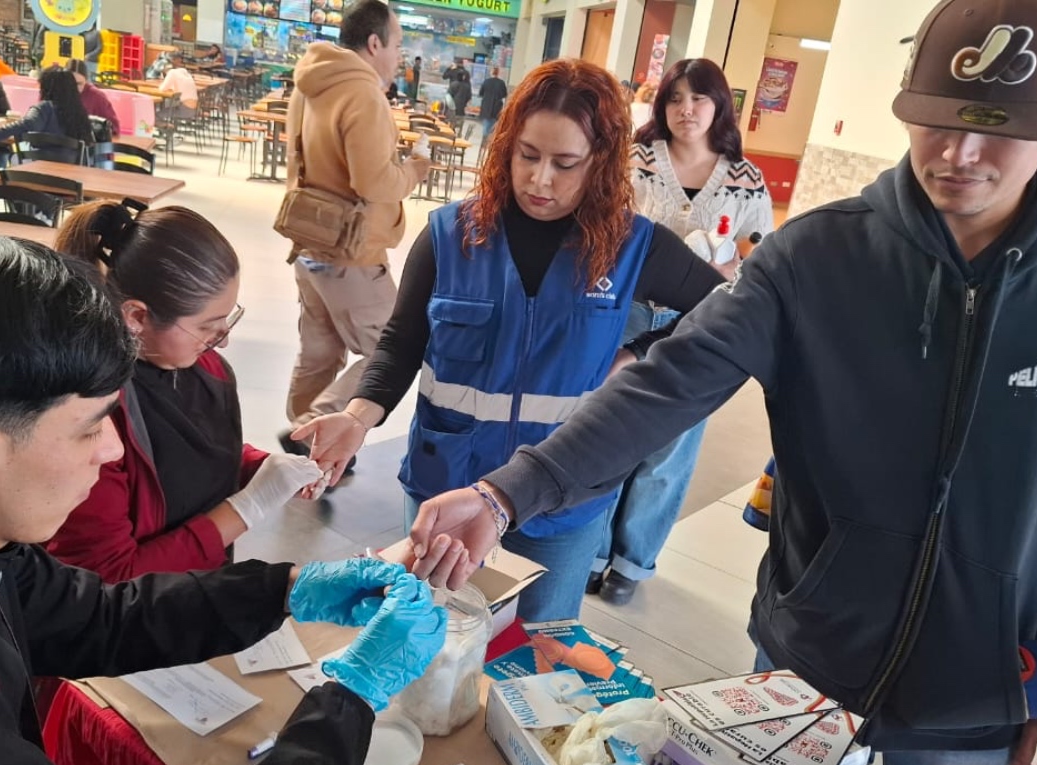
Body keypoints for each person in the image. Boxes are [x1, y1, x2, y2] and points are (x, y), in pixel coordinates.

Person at [409, 0, 1037, 765]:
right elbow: (669, 381)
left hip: (983, 684)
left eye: (996, 126)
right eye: (936, 121)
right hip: (809, 657)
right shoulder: (816, 256)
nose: (958, 153)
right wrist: (506, 494)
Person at [0, 228, 447, 765]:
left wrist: (286, 590)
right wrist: (352, 697)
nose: (112, 447)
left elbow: (100, 616)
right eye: (89, 428)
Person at [291, 58, 724, 623]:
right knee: (427, 638)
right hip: (445, 487)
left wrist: (640, 354)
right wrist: (357, 415)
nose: (540, 180)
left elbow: (721, 309)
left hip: (560, 500)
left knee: (540, 654)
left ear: (601, 162)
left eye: (565, 163)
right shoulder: (451, 235)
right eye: (528, 155)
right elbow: (401, 341)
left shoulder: (632, 246)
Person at [48, 200, 326, 582]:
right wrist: (246, 508)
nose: (222, 341)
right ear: (137, 317)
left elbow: (193, 455)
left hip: (197, 595)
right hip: (134, 620)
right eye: (208, 326)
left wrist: (261, 468)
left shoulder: (205, 369)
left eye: (229, 318)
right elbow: (108, 580)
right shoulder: (91, 416)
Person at [590, 57, 775, 605]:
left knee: (670, 448)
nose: (685, 109)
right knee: (604, 430)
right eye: (675, 98)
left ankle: (632, 562)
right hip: (625, 314)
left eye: (698, 98)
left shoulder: (744, 178)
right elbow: (600, 228)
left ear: (719, 105)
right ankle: (592, 549)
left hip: (700, 323)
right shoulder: (634, 162)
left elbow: (763, 254)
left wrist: (730, 272)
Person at [276, 0, 430, 458]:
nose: (399, 54)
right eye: (397, 44)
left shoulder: (311, 82)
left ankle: (307, 441)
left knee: (319, 349)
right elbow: (375, 182)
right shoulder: (362, 92)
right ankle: (311, 427)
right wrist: (414, 170)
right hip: (351, 250)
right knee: (395, 342)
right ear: (374, 42)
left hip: (309, 237)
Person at [0, 66, 95, 159]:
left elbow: (24, 125)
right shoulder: (80, 112)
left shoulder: (44, 108)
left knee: (13, 158)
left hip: (41, 173)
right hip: (74, 178)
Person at [66, 59, 121, 136]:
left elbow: (114, 128)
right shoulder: (57, 92)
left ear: (86, 81)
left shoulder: (98, 97)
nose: (74, 87)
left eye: (79, 84)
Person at [478, 65, 508, 142]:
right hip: (496, 107)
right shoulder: (501, 83)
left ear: (491, 72)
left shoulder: (486, 81)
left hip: (486, 105)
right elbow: (504, 94)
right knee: (492, 124)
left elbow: (481, 93)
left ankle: (485, 139)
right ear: (498, 73)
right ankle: (489, 139)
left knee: (486, 123)